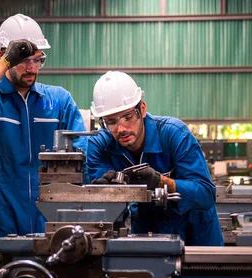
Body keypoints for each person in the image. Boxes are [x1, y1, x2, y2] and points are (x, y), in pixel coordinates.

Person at [0, 14, 86, 244]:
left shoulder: (58, 101)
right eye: (23, 60)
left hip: (49, 219)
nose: (31, 68)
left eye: (37, 60)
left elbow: (84, 154)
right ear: (5, 56)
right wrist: (4, 64)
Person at [86, 71, 223, 246]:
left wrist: (162, 182)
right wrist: (107, 192)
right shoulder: (100, 146)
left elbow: (206, 194)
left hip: (196, 235)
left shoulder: (174, 134)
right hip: (146, 232)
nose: (121, 129)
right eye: (111, 122)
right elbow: (104, 209)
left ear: (142, 109)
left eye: (128, 117)